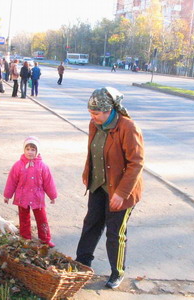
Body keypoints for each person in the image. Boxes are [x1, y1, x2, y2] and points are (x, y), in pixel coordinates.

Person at [75, 87, 144, 290]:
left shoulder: (128, 127)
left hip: (122, 191)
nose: (92, 117)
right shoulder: (94, 124)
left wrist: (122, 194)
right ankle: (82, 263)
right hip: (98, 185)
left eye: (96, 113)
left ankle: (117, 272)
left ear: (109, 110)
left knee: (115, 233)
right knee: (91, 224)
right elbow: (93, 152)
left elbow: (136, 163)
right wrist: (88, 174)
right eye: (90, 113)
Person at [3, 136, 57, 247]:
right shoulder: (18, 165)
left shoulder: (42, 166)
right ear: (24, 150)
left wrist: (52, 196)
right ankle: (25, 237)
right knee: (24, 219)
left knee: (42, 219)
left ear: (37, 151)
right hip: (22, 197)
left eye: (33, 149)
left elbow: (48, 182)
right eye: (27, 149)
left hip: (37, 198)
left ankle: (45, 239)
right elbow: (12, 181)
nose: (30, 152)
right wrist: (7, 195)